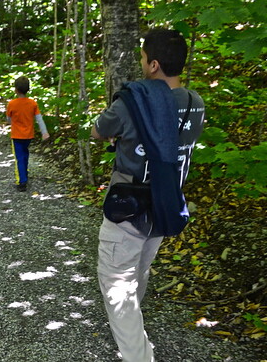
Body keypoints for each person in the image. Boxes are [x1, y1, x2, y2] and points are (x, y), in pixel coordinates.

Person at [91, 29, 205, 362]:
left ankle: (138, 355)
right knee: (137, 273)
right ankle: (131, 332)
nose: (141, 63)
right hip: (166, 204)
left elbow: (99, 131)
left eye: (142, 58)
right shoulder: (195, 103)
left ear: (153, 64)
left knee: (116, 286)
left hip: (129, 207)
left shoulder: (134, 100)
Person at [6, 76, 50, 191]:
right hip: (28, 135)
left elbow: (8, 120)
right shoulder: (32, 103)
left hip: (16, 135)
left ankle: (22, 181)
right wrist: (44, 132)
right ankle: (25, 174)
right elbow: (39, 119)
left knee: (19, 158)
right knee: (25, 155)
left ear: (15, 89)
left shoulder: (11, 104)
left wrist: (12, 122)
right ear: (28, 89)